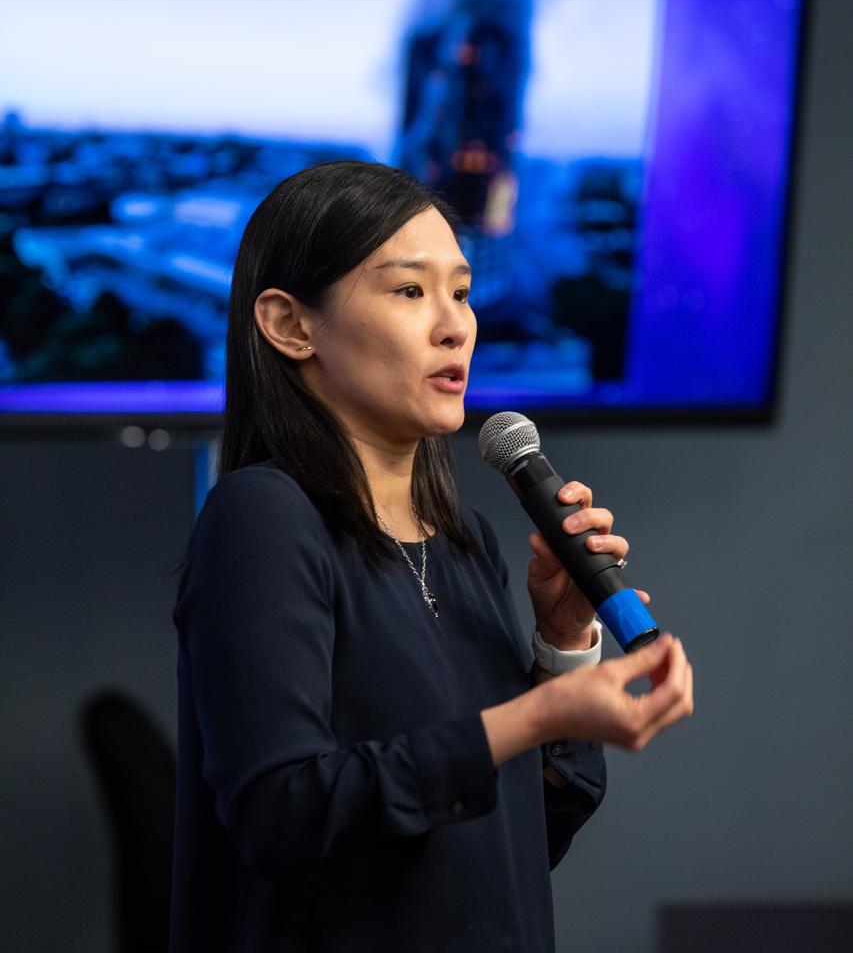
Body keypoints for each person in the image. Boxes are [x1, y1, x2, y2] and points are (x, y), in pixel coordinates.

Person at [169, 160, 693, 953]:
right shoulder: (262, 518)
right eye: (410, 291)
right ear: (289, 325)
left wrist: (561, 646)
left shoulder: (464, 541)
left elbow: (520, 838)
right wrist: (538, 714)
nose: (454, 326)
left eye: (461, 290)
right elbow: (281, 813)